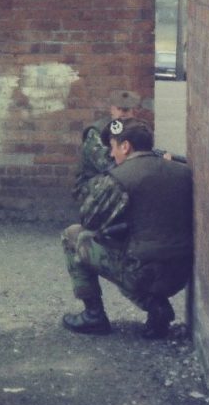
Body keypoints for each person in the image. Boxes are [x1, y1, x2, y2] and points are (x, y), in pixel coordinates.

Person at [61, 117, 192, 340]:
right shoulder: (183, 172)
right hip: (181, 273)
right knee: (136, 252)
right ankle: (156, 310)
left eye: (113, 147)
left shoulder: (120, 177)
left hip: (143, 272)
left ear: (125, 146)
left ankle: (94, 315)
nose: (111, 155)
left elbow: (90, 221)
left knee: (73, 236)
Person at [73, 88, 141, 205]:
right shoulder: (97, 131)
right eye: (119, 109)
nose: (123, 113)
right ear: (112, 109)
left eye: (127, 109)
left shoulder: (137, 129)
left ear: (134, 111)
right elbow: (108, 166)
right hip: (93, 184)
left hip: (122, 180)